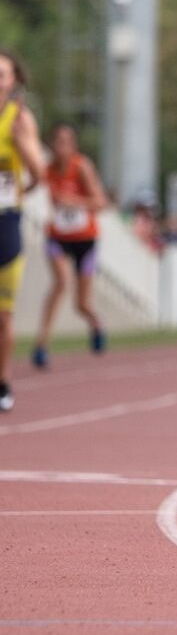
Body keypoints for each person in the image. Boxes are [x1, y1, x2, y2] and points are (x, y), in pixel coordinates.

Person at [32, 123, 108, 368]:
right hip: (58, 237)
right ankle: (41, 344)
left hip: (85, 240)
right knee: (60, 283)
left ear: (73, 145)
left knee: (81, 304)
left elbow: (100, 202)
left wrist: (73, 201)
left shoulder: (81, 167)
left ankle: (96, 323)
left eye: (65, 142)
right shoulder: (48, 170)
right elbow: (33, 181)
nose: (60, 147)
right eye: (56, 142)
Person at [0, 50, 45, 411]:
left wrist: (17, 193)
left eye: (1, 74)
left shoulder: (19, 119)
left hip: (5, 221)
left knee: (3, 315)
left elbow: (39, 172)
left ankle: (2, 382)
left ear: (13, 80)